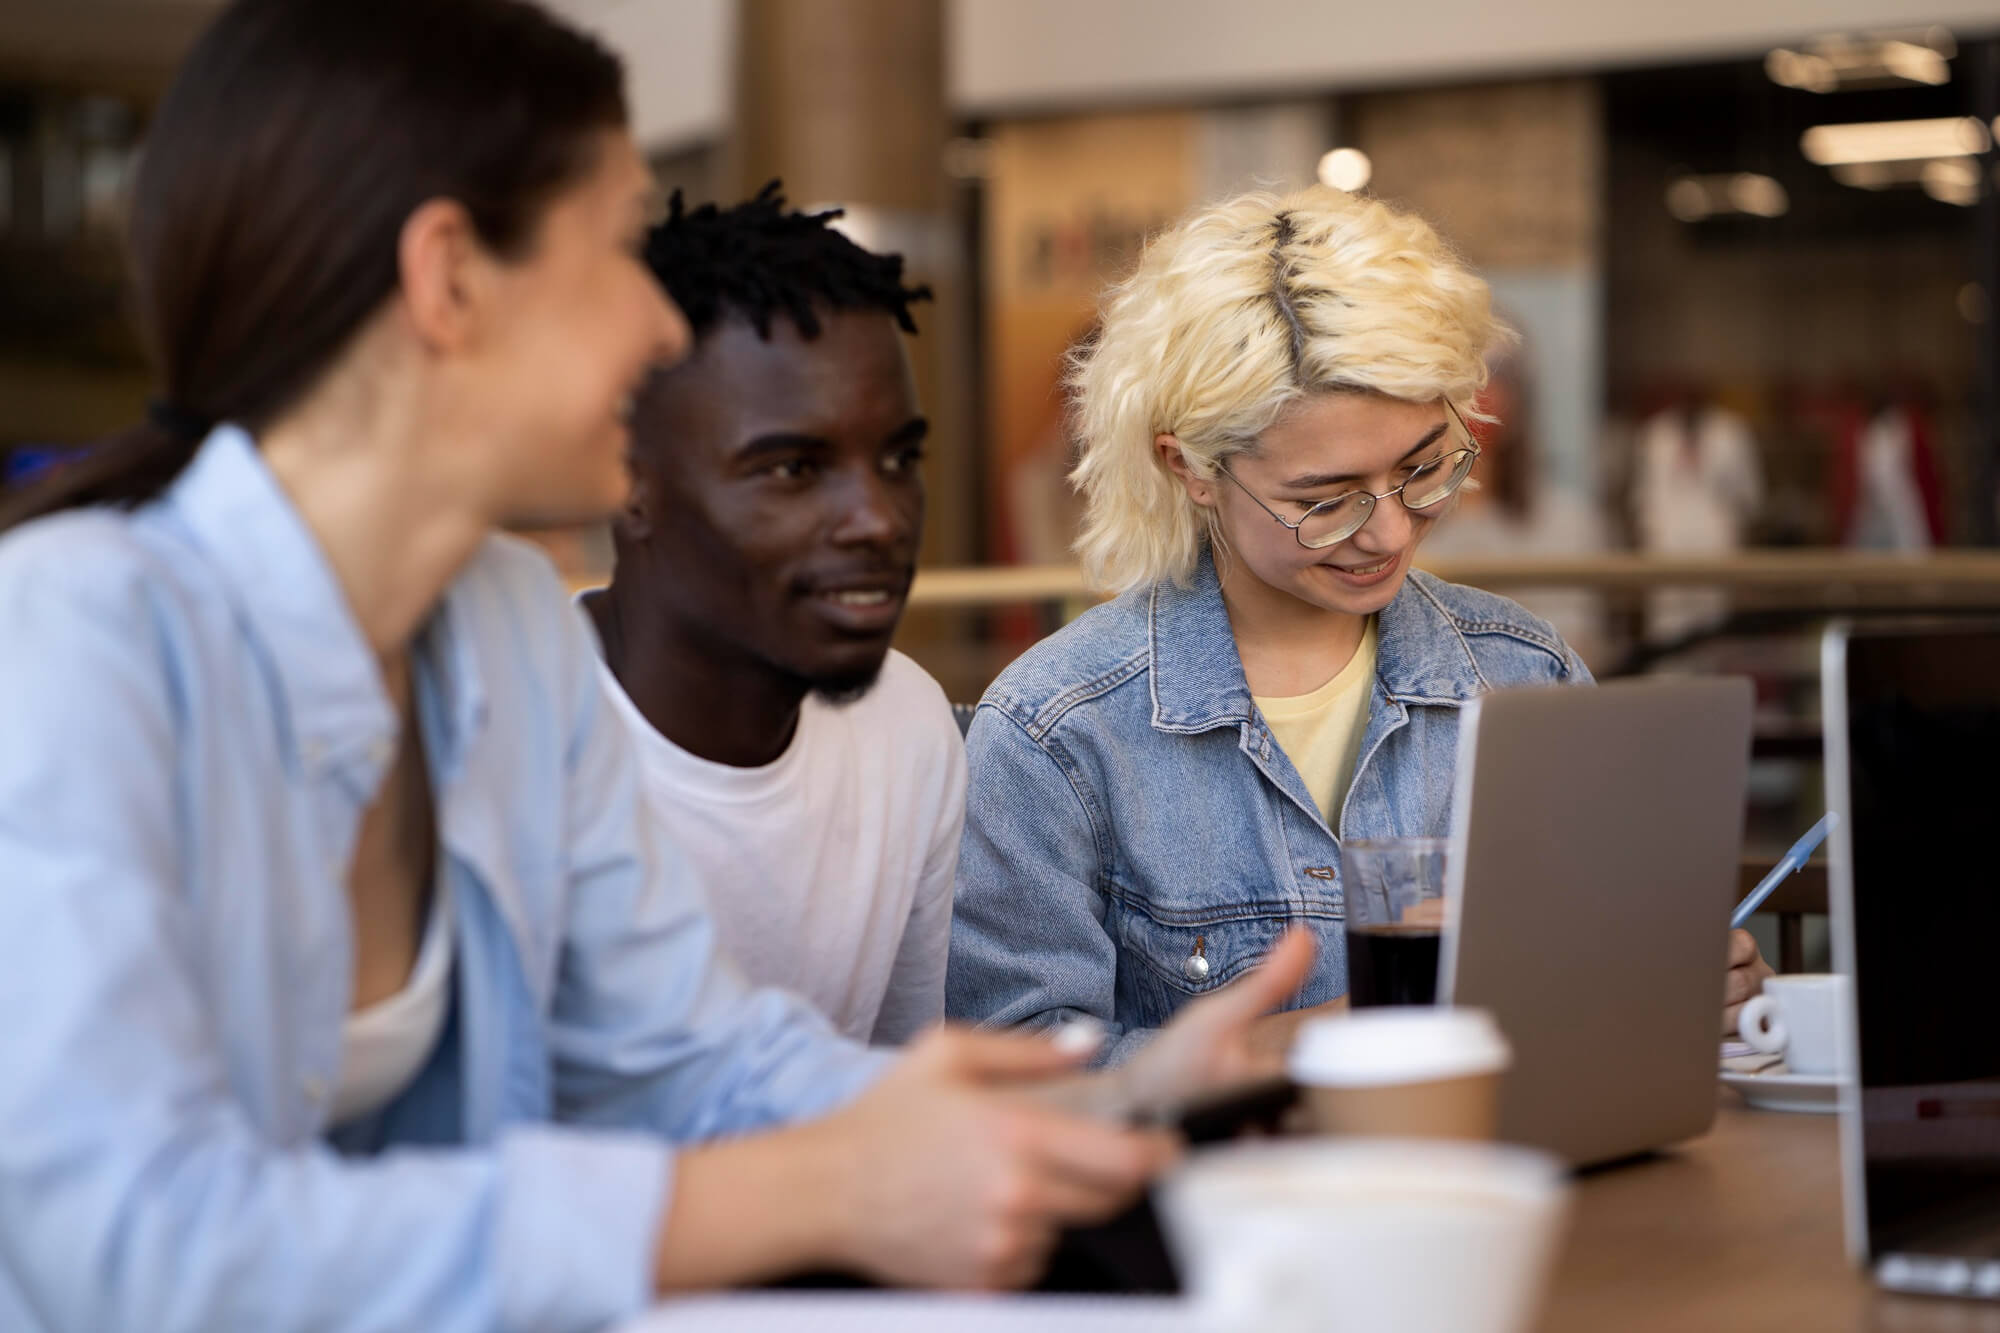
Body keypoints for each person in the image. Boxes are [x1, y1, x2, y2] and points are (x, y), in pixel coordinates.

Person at [0, 4, 1314, 1328]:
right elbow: (133, 1239)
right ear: (448, 277)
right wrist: (810, 1196)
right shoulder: (67, 637)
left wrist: (1113, 1099)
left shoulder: (505, 623)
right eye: (624, 250)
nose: (653, 323)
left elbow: (695, 1059)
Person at [946, 187, 1770, 1061]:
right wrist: (1364, 1034)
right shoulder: (1057, 737)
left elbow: (1615, 978)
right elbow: (1022, 1078)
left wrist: (1677, 983)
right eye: (1326, 500)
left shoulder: (1525, 676)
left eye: (1424, 468)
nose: (1388, 531)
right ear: (1187, 465)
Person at [580, 186, 961, 1045]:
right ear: (629, 482)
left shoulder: (907, 722)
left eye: (900, 456)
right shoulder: (509, 742)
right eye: (793, 468)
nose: (879, 518)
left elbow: (892, 1097)